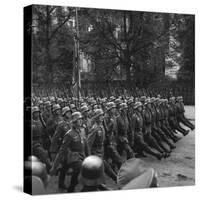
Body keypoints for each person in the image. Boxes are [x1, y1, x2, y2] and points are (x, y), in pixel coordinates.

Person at [50, 112, 90, 192]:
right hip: (72, 156)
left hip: (81, 155)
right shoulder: (69, 134)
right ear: (74, 121)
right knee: (77, 169)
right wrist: (54, 166)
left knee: (66, 168)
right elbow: (62, 150)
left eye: (81, 119)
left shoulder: (82, 130)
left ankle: (70, 188)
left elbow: (85, 145)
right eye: (79, 119)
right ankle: (70, 187)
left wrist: (89, 156)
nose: (81, 121)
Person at [87, 109, 118, 182]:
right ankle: (115, 180)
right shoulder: (95, 128)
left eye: (102, 115)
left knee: (105, 168)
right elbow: (88, 143)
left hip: (100, 151)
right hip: (95, 152)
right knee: (105, 168)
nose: (102, 117)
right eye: (100, 116)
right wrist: (89, 155)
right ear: (97, 117)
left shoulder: (101, 126)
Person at [50, 106, 72, 191]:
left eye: (70, 112)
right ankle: (61, 183)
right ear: (64, 114)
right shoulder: (61, 124)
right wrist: (53, 150)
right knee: (65, 166)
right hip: (64, 148)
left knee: (70, 165)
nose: (69, 113)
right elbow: (55, 138)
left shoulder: (71, 122)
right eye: (67, 112)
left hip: (72, 148)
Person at [31, 106, 52, 172]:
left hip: (41, 140)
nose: (37, 114)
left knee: (40, 157)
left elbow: (45, 131)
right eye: (35, 113)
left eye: (38, 112)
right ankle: (50, 168)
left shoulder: (41, 121)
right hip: (34, 141)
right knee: (43, 154)